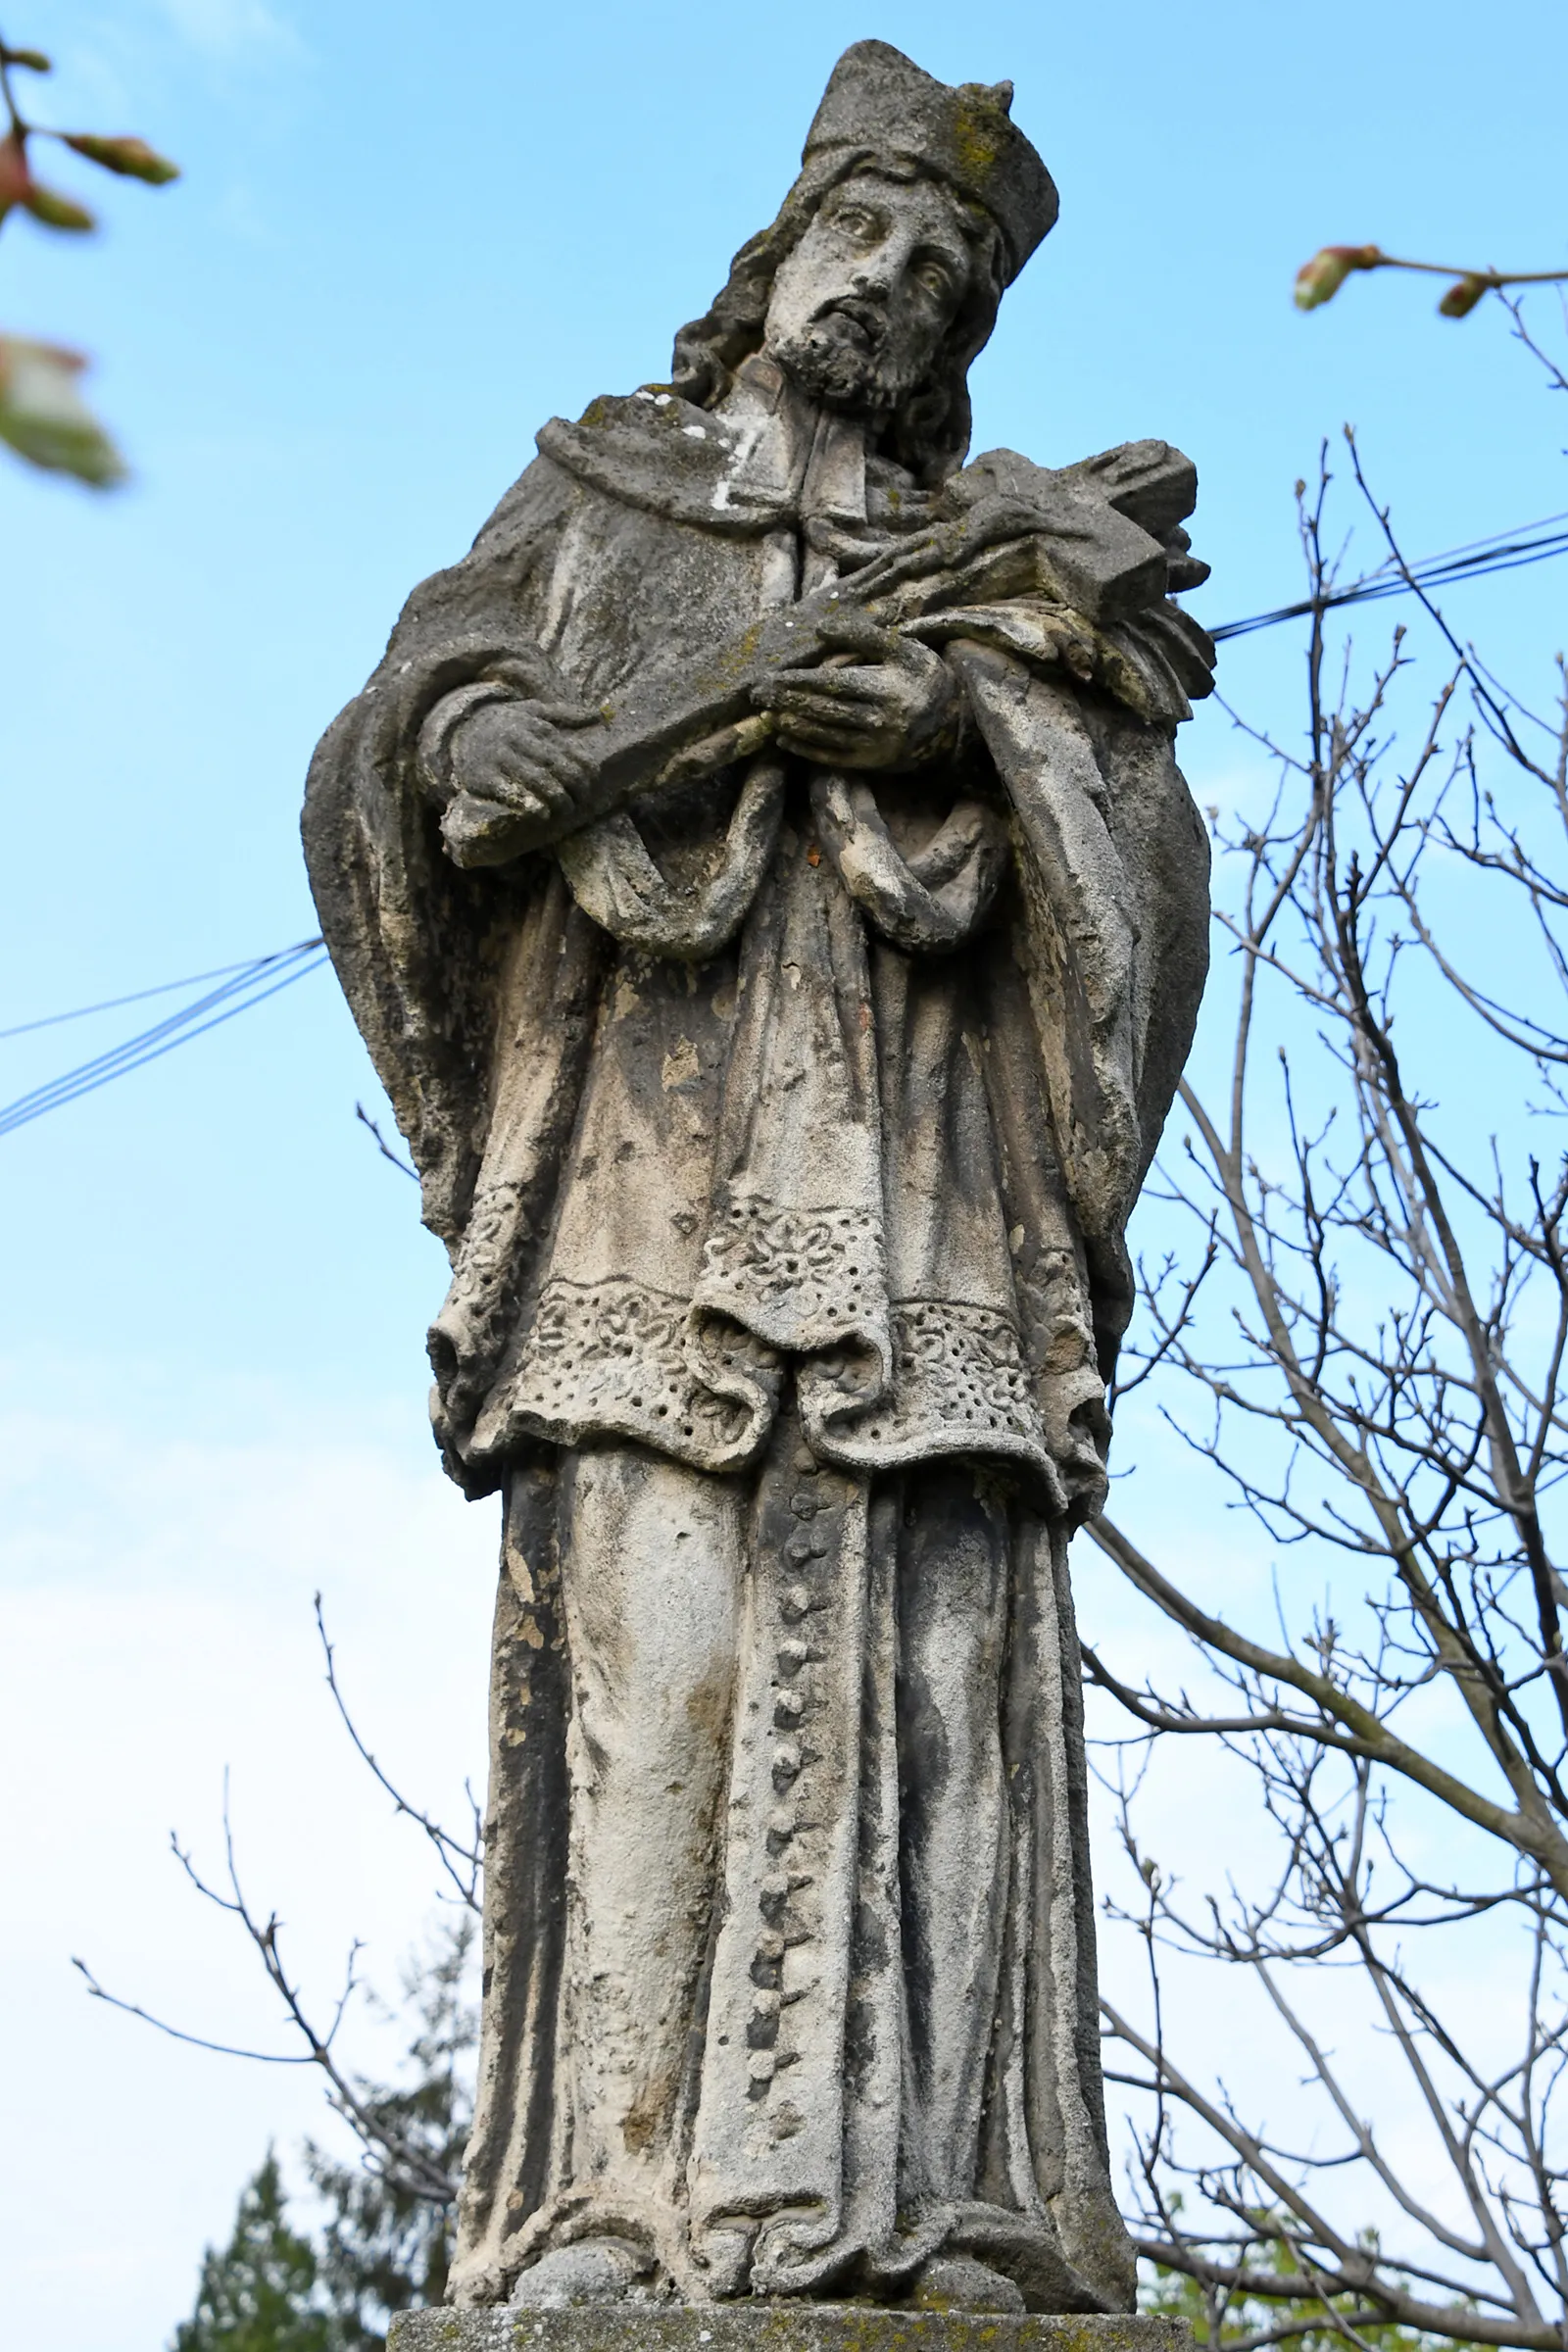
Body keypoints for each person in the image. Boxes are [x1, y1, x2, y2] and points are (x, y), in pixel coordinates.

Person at [304, 37, 1212, 2317]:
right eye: (863, 234)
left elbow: (1147, 865)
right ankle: (604, 2211)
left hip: (931, 1222)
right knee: (654, 1666)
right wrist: (462, 733)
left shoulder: (1002, 575)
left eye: (938, 267)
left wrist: (974, 740)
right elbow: (399, 729)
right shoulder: (599, 501)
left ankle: (942, 2216)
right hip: (649, 1196)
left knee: (933, 1687)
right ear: (778, 251)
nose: (891, 283)